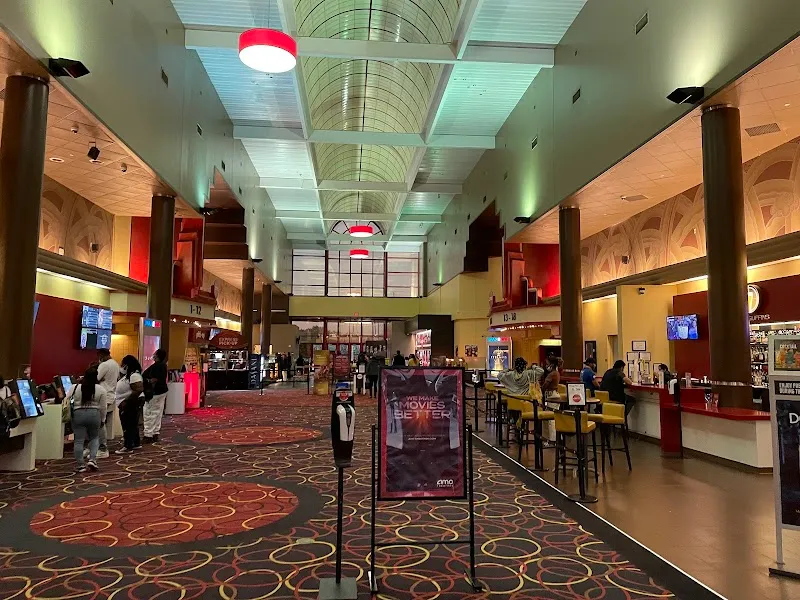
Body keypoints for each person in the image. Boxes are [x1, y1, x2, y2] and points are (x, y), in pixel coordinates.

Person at [69, 367, 107, 473]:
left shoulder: (74, 387)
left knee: (79, 440)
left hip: (78, 414)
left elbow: (66, 400)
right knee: (94, 438)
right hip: (94, 414)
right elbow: (103, 407)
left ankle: (80, 465)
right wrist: (102, 420)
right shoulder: (101, 389)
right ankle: (92, 460)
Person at [115, 355, 144, 454]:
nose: (121, 366)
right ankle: (135, 443)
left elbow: (138, 389)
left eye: (122, 364)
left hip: (130, 404)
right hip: (128, 403)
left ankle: (128, 446)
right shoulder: (129, 375)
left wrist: (126, 401)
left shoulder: (134, 375)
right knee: (132, 423)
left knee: (128, 424)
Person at [95, 348, 120, 458]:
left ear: (101, 355)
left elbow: (95, 378)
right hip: (111, 395)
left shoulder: (104, 365)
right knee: (103, 422)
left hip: (102, 395)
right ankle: (98, 446)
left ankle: (102, 447)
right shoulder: (115, 364)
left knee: (100, 423)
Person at [142, 348, 168, 443]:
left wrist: (147, 382)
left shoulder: (156, 366)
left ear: (157, 356)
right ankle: (155, 432)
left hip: (154, 392)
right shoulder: (163, 366)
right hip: (162, 391)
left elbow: (154, 380)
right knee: (158, 412)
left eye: (155, 354)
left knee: (149, 413)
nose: (153, 355)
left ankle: (148, 434)